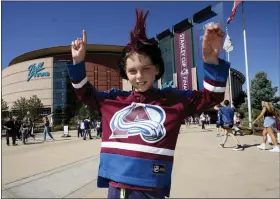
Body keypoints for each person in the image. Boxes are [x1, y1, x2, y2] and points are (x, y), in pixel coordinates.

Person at [67, 9, 229, 199]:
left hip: (153, 189)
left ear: (157, 69)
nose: (139, 76)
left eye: (146, 69)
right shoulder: (112, 101)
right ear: (125, 73)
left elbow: (211, 97)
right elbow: (84, 93)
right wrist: (78, 63)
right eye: (132, 71)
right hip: (117, 188)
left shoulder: (173, 101)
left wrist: (211, 61)